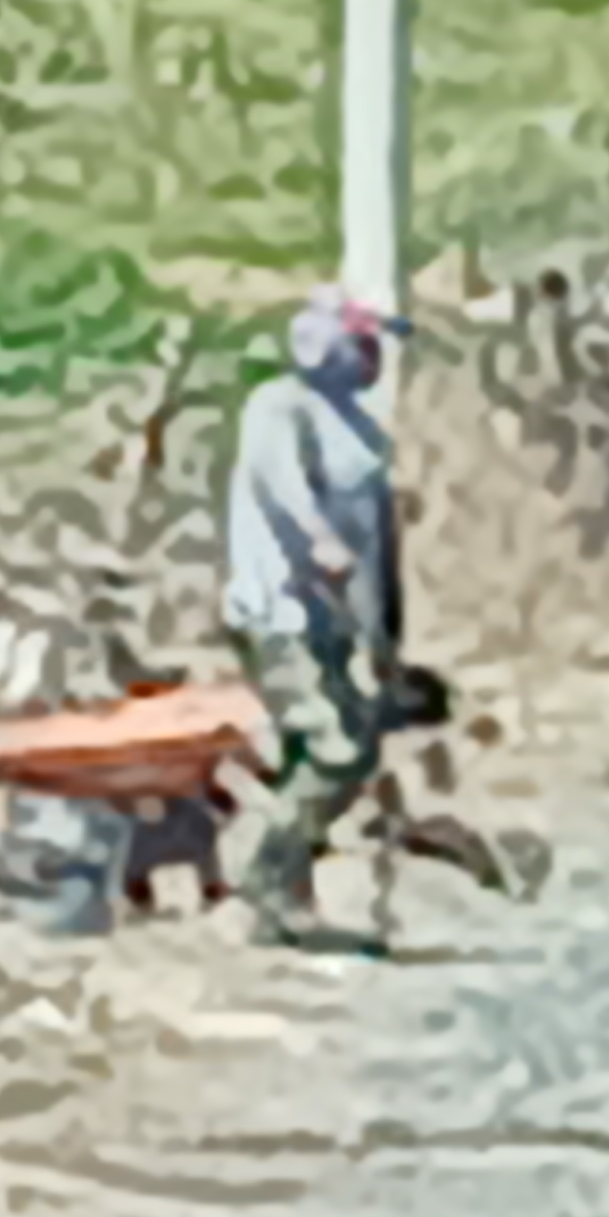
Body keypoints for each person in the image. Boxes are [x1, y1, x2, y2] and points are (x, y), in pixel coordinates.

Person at [225, 286, 407, 949]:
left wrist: (382, 630)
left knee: (316, 753)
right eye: (362, 344)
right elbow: (283, 485)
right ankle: (262, 875)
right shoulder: (279, 406)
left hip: (335, 622)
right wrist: (319, 542)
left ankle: (285, 906)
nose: (373, 358)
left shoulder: (359, 428)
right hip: (283, 612)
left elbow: (378, 533)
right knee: (337, 750)